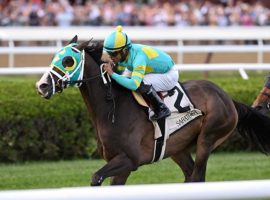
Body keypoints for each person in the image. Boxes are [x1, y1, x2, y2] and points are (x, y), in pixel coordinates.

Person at [103, 25, 179, 121]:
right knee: (122, 82)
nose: (111, 57)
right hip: (154, 70)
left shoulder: (139, 58)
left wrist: (113, 74)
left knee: (141, 83)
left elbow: (134, 84)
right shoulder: (128, 53)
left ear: (124, 50)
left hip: (169, 75)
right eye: (109, 53)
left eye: (113, 54)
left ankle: (162, 109)